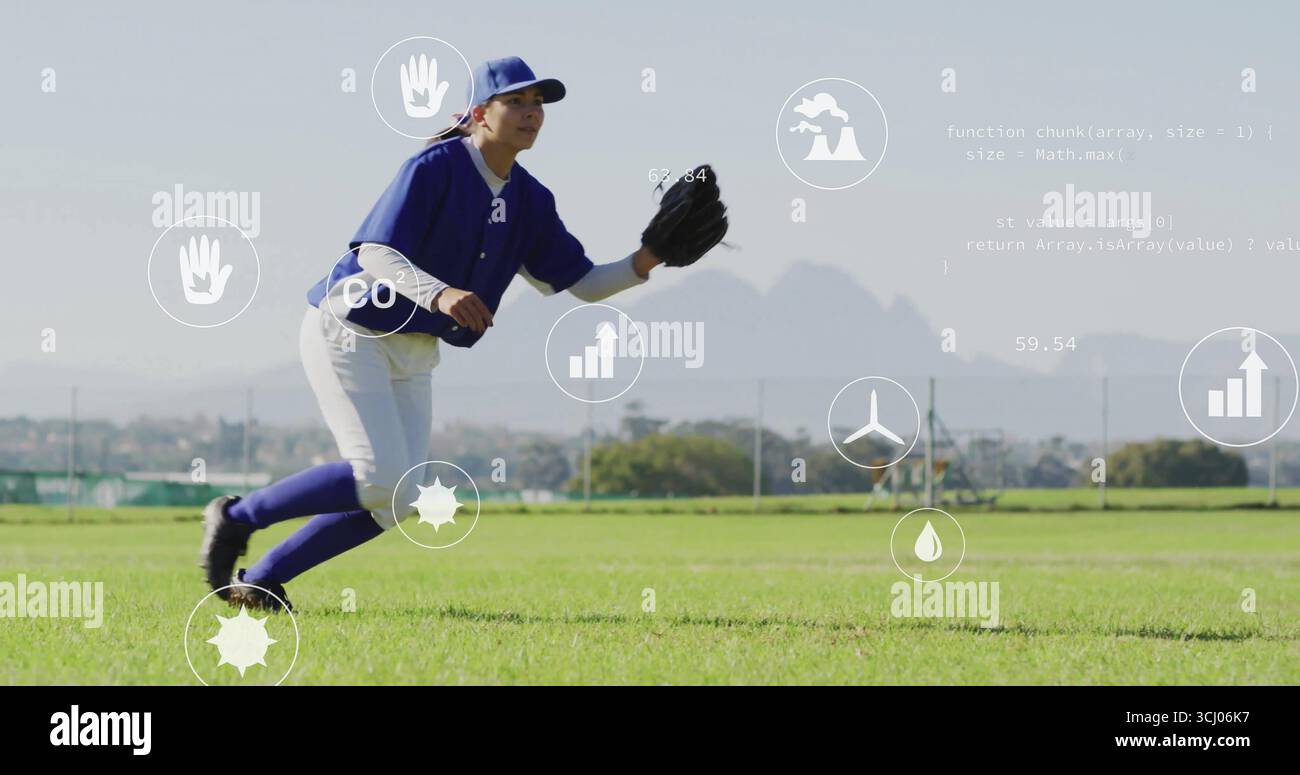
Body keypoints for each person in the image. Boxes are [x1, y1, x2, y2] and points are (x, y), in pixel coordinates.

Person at [199, 56, 670, 610]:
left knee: (397, 498)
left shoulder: (531, 200)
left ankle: (263, 578)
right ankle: (236, 517)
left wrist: (650, 256)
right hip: (351, 328)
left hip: (415, 348)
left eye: (538, 103)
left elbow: (584, 283)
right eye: (515, 100)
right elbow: (374, 251)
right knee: (377, 477)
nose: (531, 112)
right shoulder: (436, 166)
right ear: (479, 113)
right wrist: (440, 292)